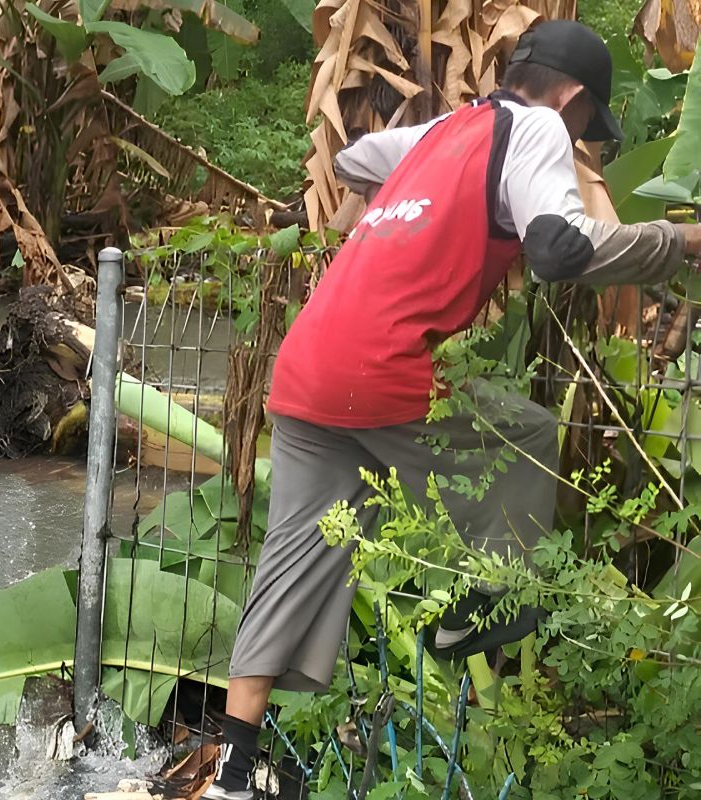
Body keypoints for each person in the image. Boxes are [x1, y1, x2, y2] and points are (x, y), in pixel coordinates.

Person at [204, 20, 701, 800]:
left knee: (290, 562)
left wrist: (422, 208)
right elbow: (558, 250)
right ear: (570, 99)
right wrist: (681, 242)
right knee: (529, 435)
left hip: (306, 366)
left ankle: (232, 772)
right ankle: (477, 610)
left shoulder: (450, 129)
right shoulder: (537, 126)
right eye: (586, 127)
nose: (581, 142)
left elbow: (353, 159)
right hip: (379, 368)